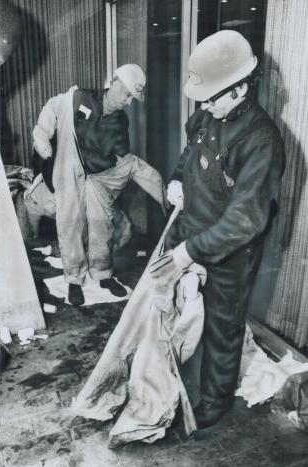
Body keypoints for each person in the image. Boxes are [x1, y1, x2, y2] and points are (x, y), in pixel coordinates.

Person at [164, 30, 285, 429]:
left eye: (214, 97)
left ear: (240, 90)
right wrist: (178, 178)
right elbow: (190, 152)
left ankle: (214, 402)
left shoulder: (262, 140)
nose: (206, 105)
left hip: (231, 250)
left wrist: (190, 252)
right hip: (191, 230)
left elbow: (245, 220)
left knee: (222, 324)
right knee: (184, 311)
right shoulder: (207, 114)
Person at [33, 64, 167, 305]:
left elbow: (122, 158)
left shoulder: (120, 122)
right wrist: (42, 135)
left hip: (97, 176)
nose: (128, 102)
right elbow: (54, 106)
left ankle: (103, 274)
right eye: (127, 95)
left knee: (101, 225)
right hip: (69, 166)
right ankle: (74, 280)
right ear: (114, 82)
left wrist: (158, 191)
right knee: (70, 225)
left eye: (132, 99)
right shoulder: (79, 98)